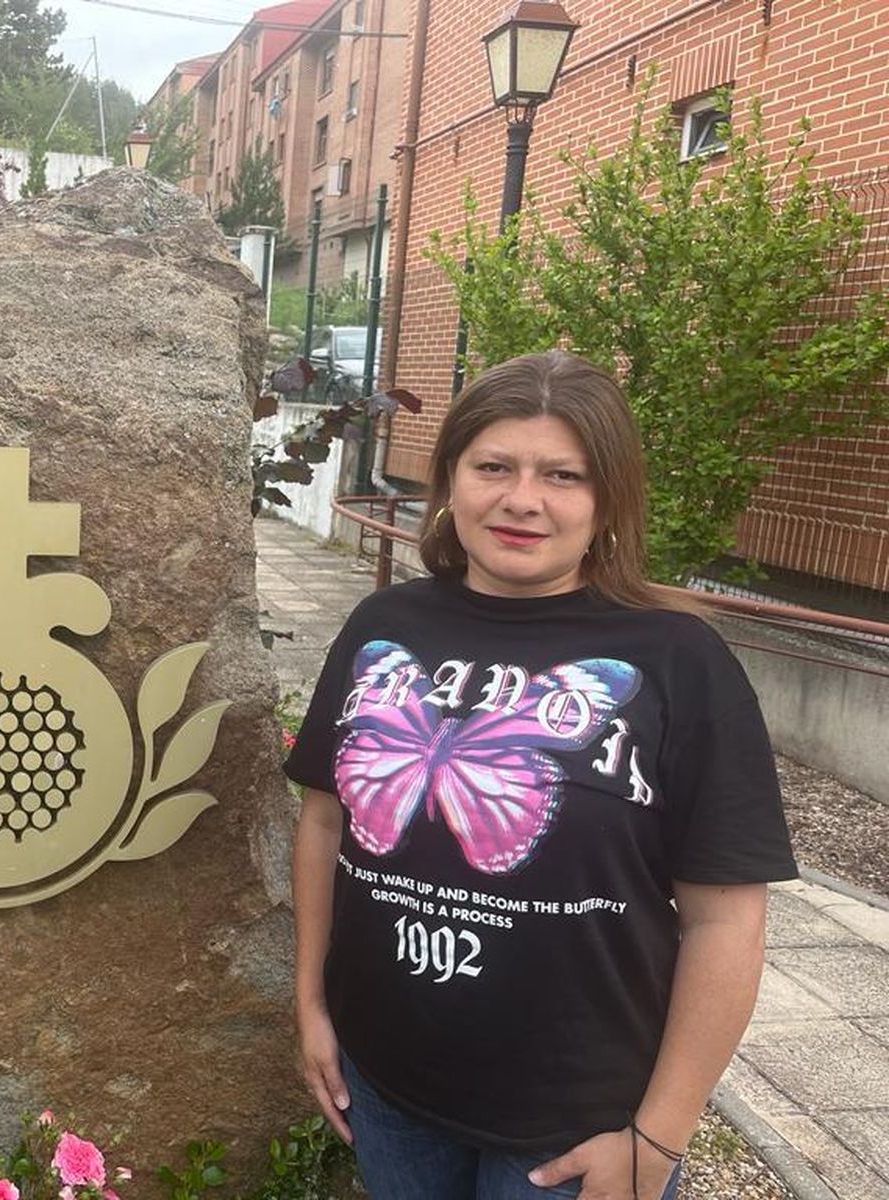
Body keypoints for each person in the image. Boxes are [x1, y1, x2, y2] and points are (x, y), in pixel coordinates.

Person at [284, 351, 796, 1200]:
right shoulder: (384, 626)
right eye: (494, 467)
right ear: (451, 478)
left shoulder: (678, 661)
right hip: (387, 1084)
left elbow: (727, 920)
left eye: (564, 474)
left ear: (608, 499)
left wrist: (658, 1136)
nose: (523, 499)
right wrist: (310, 1005)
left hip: (576, 1121)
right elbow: (324, 821)